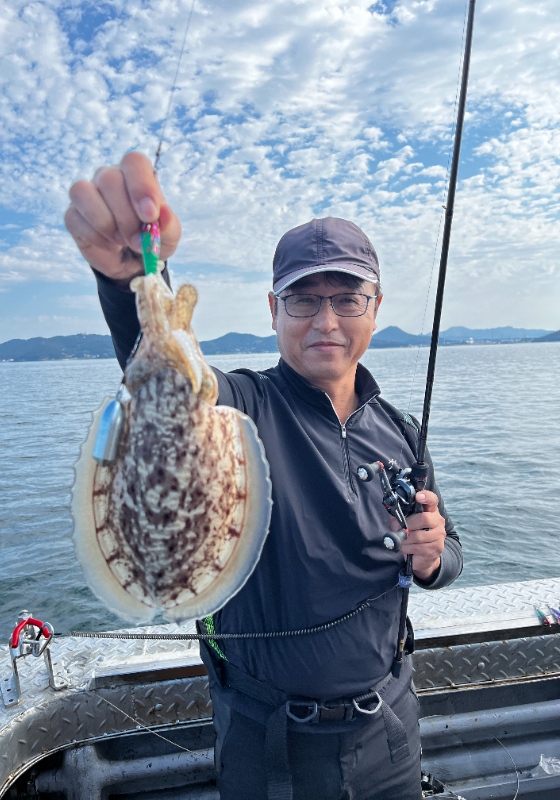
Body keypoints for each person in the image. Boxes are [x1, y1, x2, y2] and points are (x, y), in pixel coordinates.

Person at [65, 152, 462, 800]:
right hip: (270, 743)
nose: (326, 321)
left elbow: (450, 553)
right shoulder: (242, 406)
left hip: (391, 730)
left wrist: (433, 557)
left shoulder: (401, 430)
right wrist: (135, 277)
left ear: (375, 307)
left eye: (347, 298)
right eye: (304, 299)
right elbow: (171, 378)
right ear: (273, 309)